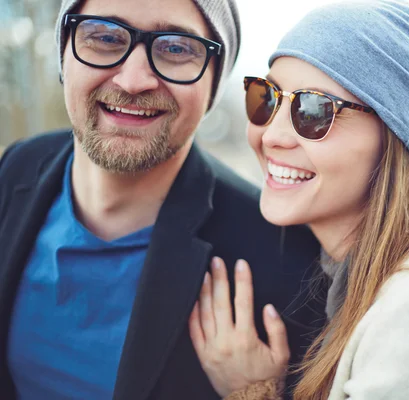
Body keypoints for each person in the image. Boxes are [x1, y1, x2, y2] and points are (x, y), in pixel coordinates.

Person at [188, 1, 409, 399]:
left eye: (314, 110)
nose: (271, 135)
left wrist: (251, 391)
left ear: (394, 137)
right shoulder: (365, 271)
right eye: (267, 98)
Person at [0, 0, 326, 399]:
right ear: (64, 52)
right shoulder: (16, 168)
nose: (134, 80)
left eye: (175, 48)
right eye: (104, 37)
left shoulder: (283, 256)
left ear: (213, 83)